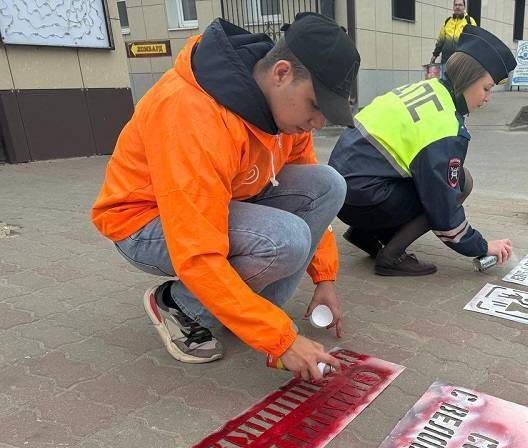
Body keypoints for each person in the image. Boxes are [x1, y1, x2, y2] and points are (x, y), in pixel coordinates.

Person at [91, 14, 361, 381]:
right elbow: (197, 250)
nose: (317, 123)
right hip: (143, 222)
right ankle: (178, 306)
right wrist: (280, 340)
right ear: (281, 73)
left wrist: (324, 278)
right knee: (284, 240)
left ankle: (243, 311)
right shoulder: (192, 112)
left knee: (329, 183)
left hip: (217, 203)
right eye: (316, 105)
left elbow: (311, 187)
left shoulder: (283, 114)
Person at [329, 26, 515, 276]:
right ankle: (391, 257)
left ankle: (364, 234)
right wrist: (481, 245)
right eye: (487, 88)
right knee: (459, 182)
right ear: (467, 80)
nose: (488, 98)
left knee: (435, 181)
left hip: (340, 192)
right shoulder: (445, 126)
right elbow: (443, 205)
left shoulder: (427, 89)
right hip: (363, 197)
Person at [430, 0, 478, 71]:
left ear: (464, 7)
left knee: (458, 81)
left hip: (461, 60)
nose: (457, 7)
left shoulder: (470, 21)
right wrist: (434, 55)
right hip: (446, 60)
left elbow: (474, 41)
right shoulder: (448, 21)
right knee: (444, 80)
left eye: (460, 5)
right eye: (455, 5)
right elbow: (441, 40)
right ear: (453, 7)